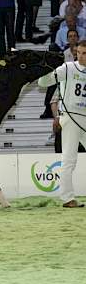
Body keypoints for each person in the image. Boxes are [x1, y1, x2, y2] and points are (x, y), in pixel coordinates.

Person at [38, 40, 86, 208]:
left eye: (84, 53)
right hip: (71, 117)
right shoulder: (68, 68)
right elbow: (43, 83)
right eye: (79, 52)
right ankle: (67, 198)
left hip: (85, 119)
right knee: (69, 159)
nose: (81, 56)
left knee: (69, 159)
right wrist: (45, 70)